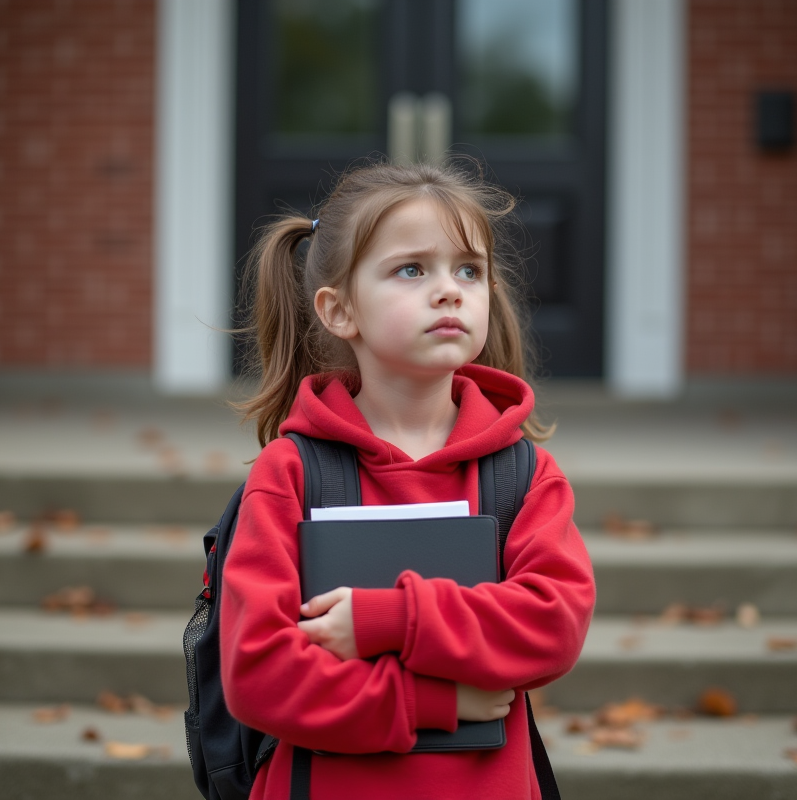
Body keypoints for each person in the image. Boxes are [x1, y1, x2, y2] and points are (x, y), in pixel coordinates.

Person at [220, 160, 595, 799]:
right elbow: (260, 673)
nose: (449, 289)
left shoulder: (522, 474)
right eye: (411, 269)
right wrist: (430, 700)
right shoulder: (291, 474)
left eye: (468, 270)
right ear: (339, 311)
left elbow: (552, 624)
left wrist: (389, 619)